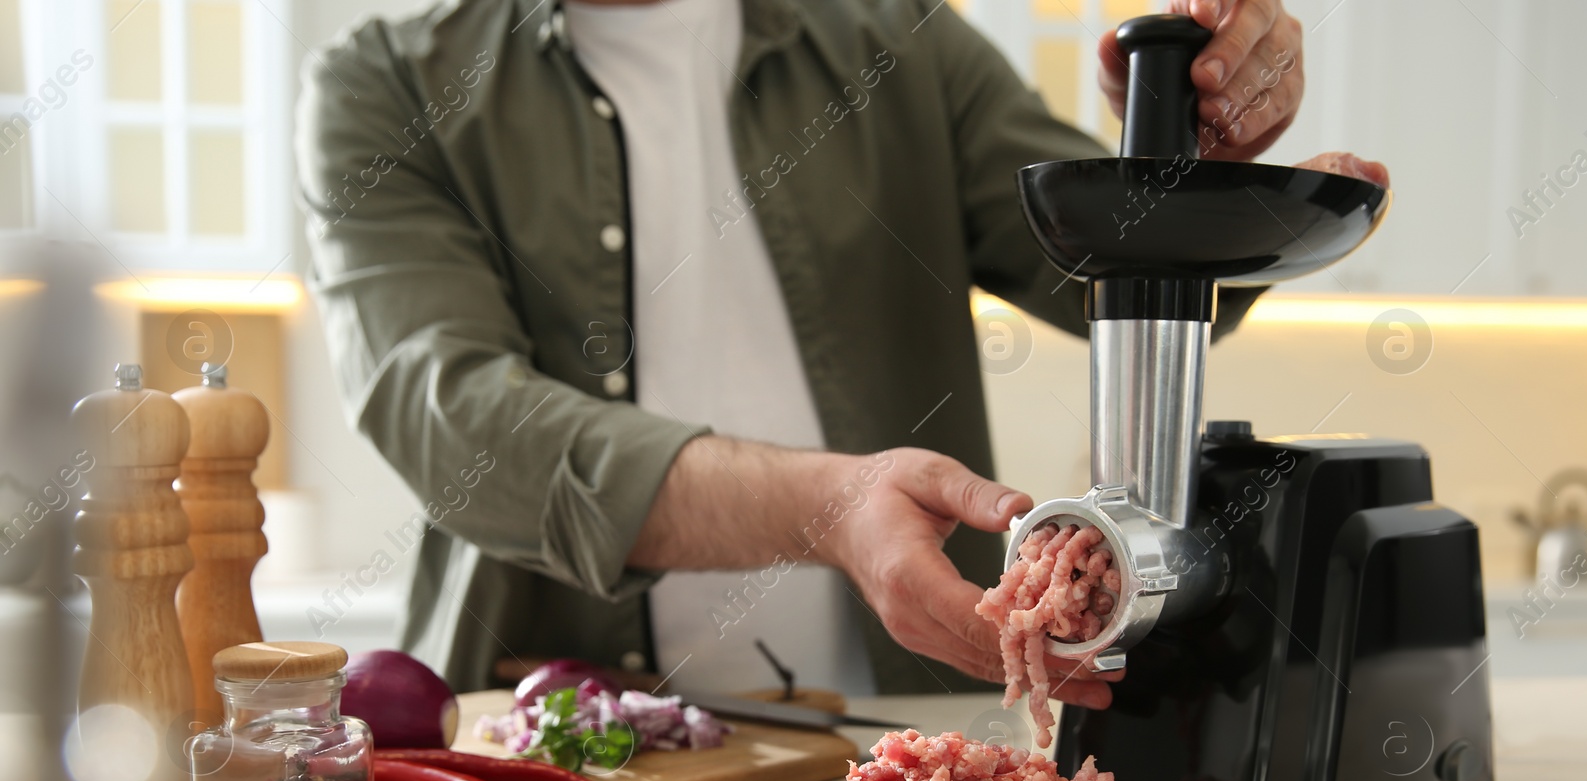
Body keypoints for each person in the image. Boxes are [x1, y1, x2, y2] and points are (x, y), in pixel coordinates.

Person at [296, 0, 1384, 703]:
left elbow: (1116, 267)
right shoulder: (385, 88)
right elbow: (457, 426)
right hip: (555, 750)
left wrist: (1182, 156)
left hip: (897, 738)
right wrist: (829, 507)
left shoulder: (898, 40)